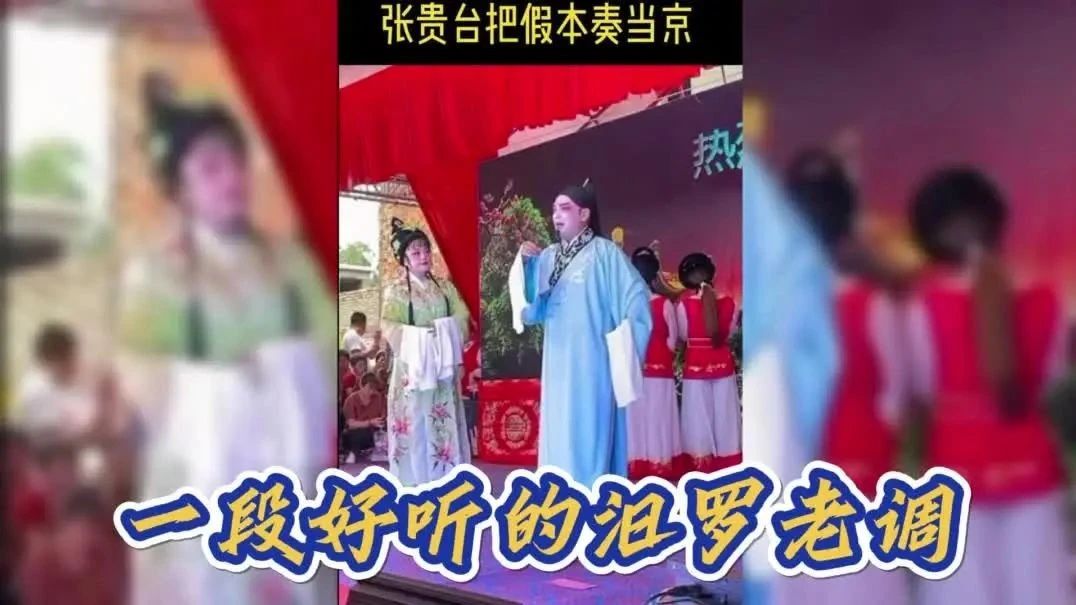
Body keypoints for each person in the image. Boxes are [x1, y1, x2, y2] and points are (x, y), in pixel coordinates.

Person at [118, 73, 336, 605]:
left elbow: (329, 363)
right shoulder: (157, 277)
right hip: (200, 486)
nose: (232, 177)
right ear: (180, 190)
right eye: (211, 168)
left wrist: (283, 374)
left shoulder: (290, 267)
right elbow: (142, 385)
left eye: (236, 161)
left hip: (294, 479)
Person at [905, 167, 1071, 605]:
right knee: (1038, 589)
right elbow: (1050, 377)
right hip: (1030, 462)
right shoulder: (1047, 300)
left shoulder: (923, 305)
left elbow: (922, 384)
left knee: (960, 589)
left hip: (956, 460)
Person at [776, 149, 910, 605]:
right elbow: (898, 398)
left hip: (840, 466)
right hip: (850, 464)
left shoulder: (862, 303)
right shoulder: (873, 303)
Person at [517, 183, 652, 484]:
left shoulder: (605, 254)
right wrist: (527, 268)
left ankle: (591, 500)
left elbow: (635, 298)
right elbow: (532, 312)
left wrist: (625, 343)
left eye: (565, 208)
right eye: (554, 209)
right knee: (558, 432)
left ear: (585, 214)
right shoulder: (548, 257)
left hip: (593, 364)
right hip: (557, 365)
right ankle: (559, 498)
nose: (556, 215)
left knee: (589, 432)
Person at [380, 218, 471, 485]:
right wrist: (419, 336)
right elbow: (388, 325)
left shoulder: (445, 288)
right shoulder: (396, 292)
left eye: (426, 250)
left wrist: (445, 330)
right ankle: (413, 482)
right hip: (413, 370)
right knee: (415, 422)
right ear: (405, 260)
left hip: (441, 368)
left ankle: (447, 479)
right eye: (416, 252)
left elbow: (462, 316)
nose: (423, 256)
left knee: (443, 421)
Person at [624, 247, 686, 482]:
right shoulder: (664, 304)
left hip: (635, 371)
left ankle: (636, 462)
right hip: (660, 371)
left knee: (635, 419)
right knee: (659, 418)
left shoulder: (626, 305)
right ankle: (660, 462)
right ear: (654, 275)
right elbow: (673, 340)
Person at [676, 252, 742, 472]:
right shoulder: (730, 303)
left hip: (695, 366)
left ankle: (700, 461)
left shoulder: (684, 305)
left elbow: (683, 335)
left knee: (697, 417)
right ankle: (727, 460)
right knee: (725, 416)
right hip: (723, 365)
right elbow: (730, 333)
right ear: (712, 273)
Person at [12, 324, 94, 443]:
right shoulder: (35, 389)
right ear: (46, 361)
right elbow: (51, 436)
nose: (75, 364)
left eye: (74, 357)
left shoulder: (77, 385)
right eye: (67, 359)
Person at [341, 374, 387, 464]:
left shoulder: (379, 398)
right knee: (355, 433)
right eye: (369, 388)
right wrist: (370, 422)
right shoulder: (351, 400)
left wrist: (381, 421)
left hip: (374, 432)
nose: (372, 391)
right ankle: (353, 453)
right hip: (356, 432)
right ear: (361, 385)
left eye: (374, 388)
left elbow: (383, 416)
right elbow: (351, 424)